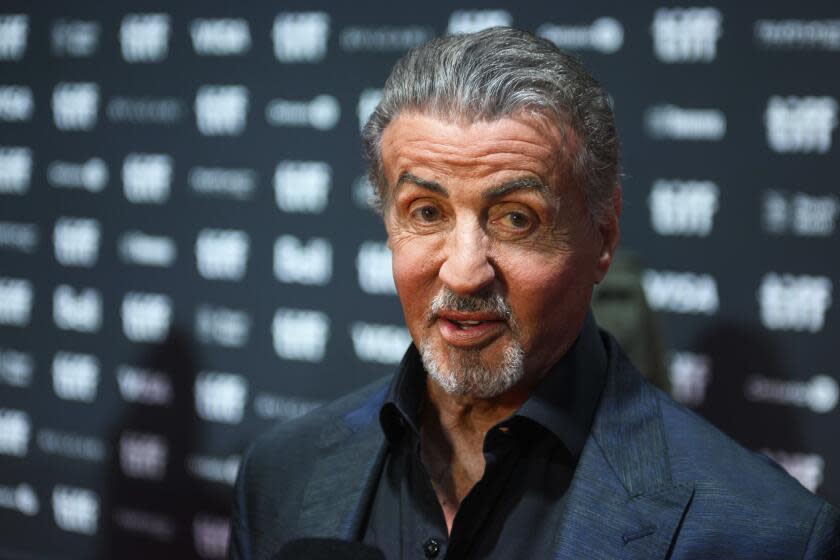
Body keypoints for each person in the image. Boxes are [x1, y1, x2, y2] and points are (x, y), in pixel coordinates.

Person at [229, 28, 839, 559]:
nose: (465, 272)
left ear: (603, 236)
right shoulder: (280, 476)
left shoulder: (767, 535)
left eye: (515, 218)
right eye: (426, 212)